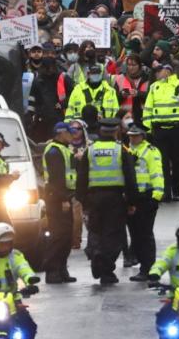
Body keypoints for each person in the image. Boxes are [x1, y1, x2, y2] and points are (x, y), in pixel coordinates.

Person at [75, 118, 136, 284]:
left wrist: (82, 199)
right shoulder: (120, 150)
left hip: (94, 198)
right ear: (115, 131)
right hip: (115, 198)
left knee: (96, 231)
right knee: (114, 234)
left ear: (101, 131)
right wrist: (132, 201)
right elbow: (130, 177)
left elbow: (82, 176)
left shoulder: (91, 150)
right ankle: (106, 269)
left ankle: (96, 255)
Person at [144, 63, 179, 201]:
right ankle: (166, 191)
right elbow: (148, 107)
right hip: (159, 129)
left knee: (177, 161)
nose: (158, 73)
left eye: (160, 70)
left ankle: (176, 190)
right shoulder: (154, 87)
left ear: (168, 71)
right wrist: (148, 128)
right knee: (162, 162)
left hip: (177, 129)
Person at [124, 125, 164, 282]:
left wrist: (156, 196)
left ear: (142, 136)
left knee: (145, 235)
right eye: (130, 136)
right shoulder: (128, 150)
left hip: (146, 197)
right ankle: (144, 267)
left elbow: (157, 174)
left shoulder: (151, 151)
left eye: (135, 136)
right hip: (133, 198)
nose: (132, 138)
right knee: (136, 235)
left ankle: (148, 268)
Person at [42, 122, 77, 284]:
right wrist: (63, 199)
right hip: (57, 198)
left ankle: (62, 269)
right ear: (61, 133)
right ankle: (52, 271)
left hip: (64, 196)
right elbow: (56, 179)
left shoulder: (63, 149)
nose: (73, 135)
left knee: (66, 236)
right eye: (70, 133)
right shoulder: (54, 151)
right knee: (58, 235)